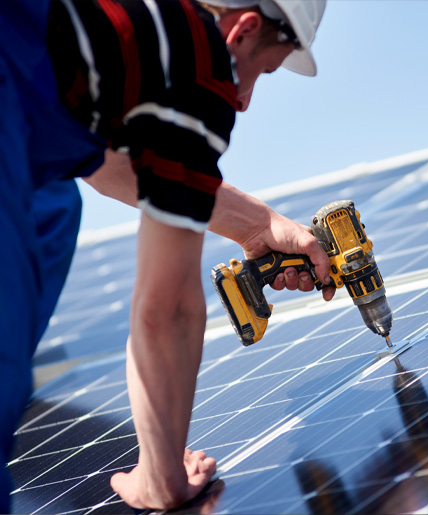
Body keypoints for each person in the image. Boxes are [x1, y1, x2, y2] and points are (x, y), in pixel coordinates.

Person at [0, 0, 329, 511]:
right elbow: (166, 308)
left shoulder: (131, 26)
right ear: (242, 31)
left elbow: (101, 160)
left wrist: (257, 226)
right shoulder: (199, 58)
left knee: (52, 203)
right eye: (261, 72)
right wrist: (161, 477)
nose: (243, 101)